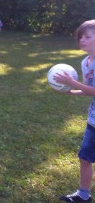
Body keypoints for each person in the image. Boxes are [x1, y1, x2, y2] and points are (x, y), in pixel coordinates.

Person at [54, 20, 95, 202]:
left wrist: (72, 83)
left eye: (87, 36)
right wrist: (71, 91)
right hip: (93, 120)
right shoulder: (86, 63)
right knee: (85, 158)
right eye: (80, 37)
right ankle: (83, 195)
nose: (82, 40)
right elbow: (89, 90)